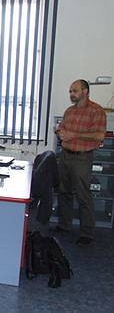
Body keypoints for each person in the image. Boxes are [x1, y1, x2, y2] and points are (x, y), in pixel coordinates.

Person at [54, 79, 106, 247]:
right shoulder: (70, 111)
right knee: (64, 192)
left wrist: (73, 135)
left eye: (74, 91)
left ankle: (86, 233)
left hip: (82, 158)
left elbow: (99, 136)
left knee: (83, 196)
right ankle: (64, 225)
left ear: (85, 91)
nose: (71, 94)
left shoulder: (96, 111)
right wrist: (59, 131)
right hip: (65, 155)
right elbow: (62, 128)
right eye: (70, 91)